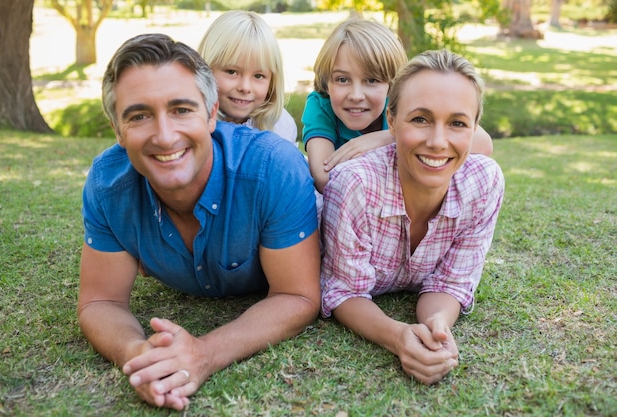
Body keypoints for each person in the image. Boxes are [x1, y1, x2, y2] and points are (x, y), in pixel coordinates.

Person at [78, 33, 320, 411]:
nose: (164, 135)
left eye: (181, 110)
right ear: (117, 130)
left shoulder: (274, 167)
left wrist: (204, 353)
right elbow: (101, 301)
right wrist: (142, 356)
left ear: (211, 114)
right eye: (139, 116)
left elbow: (298, 295)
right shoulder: (107, 186)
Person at [319, 49, 505, 385]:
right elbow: (344, 290)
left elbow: (450, 282)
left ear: (475, 128)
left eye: (457, 123)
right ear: (391, 121)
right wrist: (398, 336)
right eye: (420, 119)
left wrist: (436, 326)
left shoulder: (484, 182)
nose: (437, 142)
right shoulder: (356, 184)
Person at [302, 18, 494, 194]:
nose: (356, 95)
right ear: (327, 82)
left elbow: (483, 144)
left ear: (391, 85)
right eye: (342, 79)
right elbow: (324, 178)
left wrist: (385, 137)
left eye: (371, 80)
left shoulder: (401, 103)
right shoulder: (321, 106)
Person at [198, 10, 298, 145]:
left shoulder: (280, 127)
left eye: (258, 76)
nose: (245, 87)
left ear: (272, 82)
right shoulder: (192, 122)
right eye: (232, 72)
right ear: (206, 69)